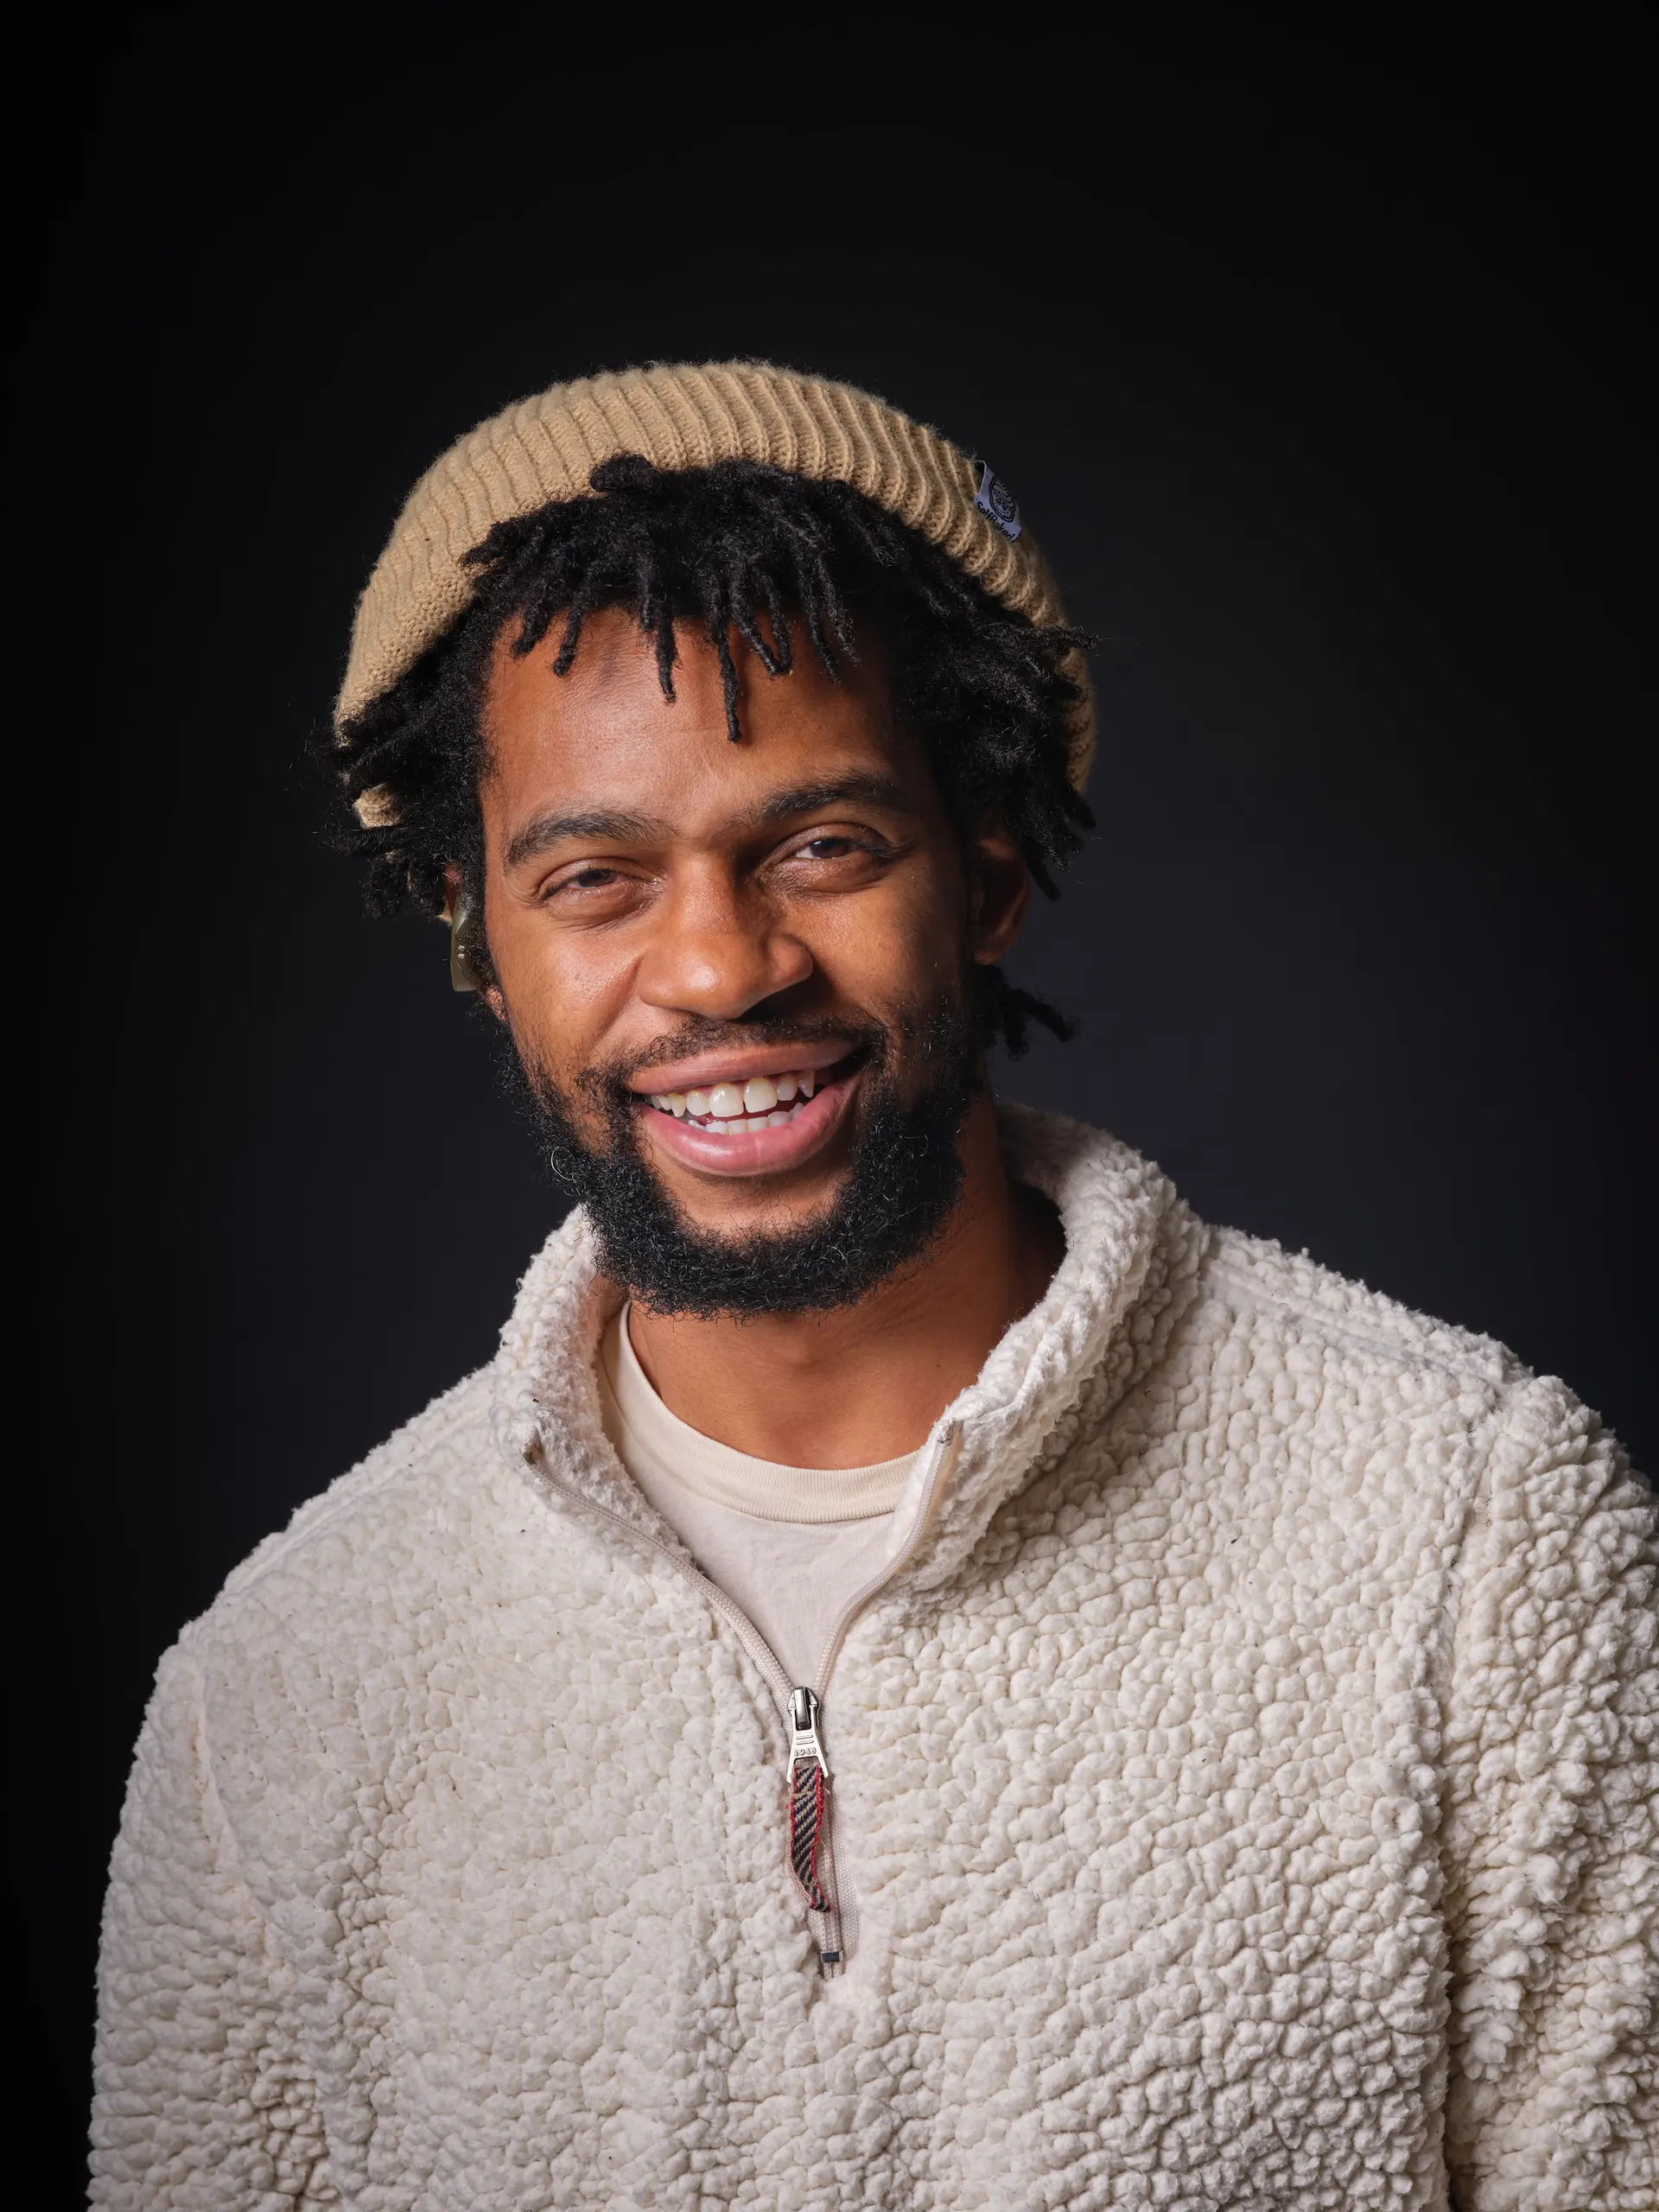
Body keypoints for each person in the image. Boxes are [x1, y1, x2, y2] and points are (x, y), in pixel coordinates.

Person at [90, 363, 1656, 2209]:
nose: (720, 965)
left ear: (985, 871)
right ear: (476, 940)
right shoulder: (276, 1700)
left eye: (820, 847)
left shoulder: (1474, 1540)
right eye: (595, 877)